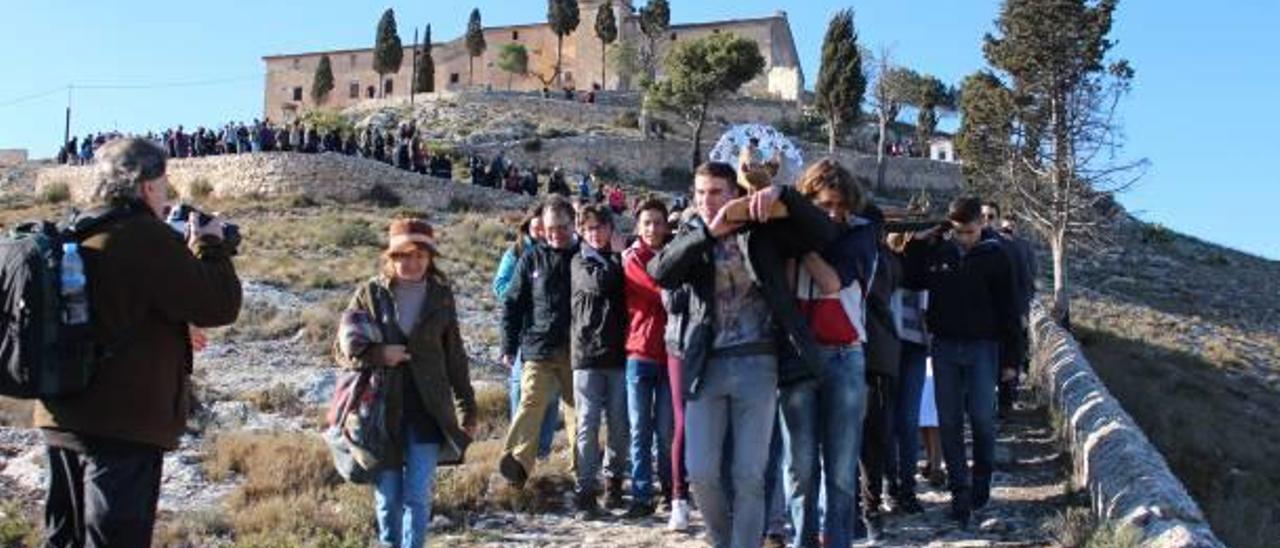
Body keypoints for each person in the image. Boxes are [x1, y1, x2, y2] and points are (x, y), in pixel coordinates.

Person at [34, 138, 242, 546]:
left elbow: (111, 311)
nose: (166, 197)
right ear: (147, 185)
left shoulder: (78, 230)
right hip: (122, 426)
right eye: (163, 185)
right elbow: (218, 306)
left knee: (63, 539)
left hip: (60, 416)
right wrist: (212, 245)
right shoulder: (145, 238)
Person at [649, 162, 837, 548]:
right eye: (700, 193)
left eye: (715, 192)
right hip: (705, 364)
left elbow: (823, 232)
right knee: (699, 470)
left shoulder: (763, 229)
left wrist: (782, 194)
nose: (706, 200)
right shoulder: (692, 232)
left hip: (759, 363)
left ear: (734, 193)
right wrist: (705, 233)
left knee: (749, 473)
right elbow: (661, 272)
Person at [334, 218, 477, 548]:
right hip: (381, 411)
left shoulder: (441, 296)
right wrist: (380, 353)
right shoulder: (369, 294)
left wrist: (467, 407)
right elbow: (342, 350)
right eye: (402, 256)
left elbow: (455, 355)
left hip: (429, 410)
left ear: (430, 258)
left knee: (418, 496)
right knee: (388, 500)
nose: (411, 264)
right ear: (390, 258)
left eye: (419, 256)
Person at [903, 196, 1020, 528]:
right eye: (959, 232)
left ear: (981, 225)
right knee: (949, 421)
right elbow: (910, 278)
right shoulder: (939, 252)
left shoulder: (997, 257)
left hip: (983, 347)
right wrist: (920, 242)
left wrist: (1011, 361)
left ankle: (981, 481)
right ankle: (960, 492)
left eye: (969, 231)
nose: (965, 238)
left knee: (982, 417)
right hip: (944, 347)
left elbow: (1009, 311)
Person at [781, 159, 879, 548]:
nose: (835, 213)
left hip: (843, 354)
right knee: (799, 468)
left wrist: (799, 238)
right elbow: (787, 287)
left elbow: (830, 282)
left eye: (841, 205)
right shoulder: (794, 233)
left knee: (840, 468)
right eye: (824, 205)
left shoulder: (862, 234)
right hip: (798, 354)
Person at [499, 197, 580, 489]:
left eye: (561, 227)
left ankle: (583, 472)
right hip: (538, 347)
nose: (555, 233)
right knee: (530, 402)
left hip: (577, 349)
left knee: (577, 410)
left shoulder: (585, 255)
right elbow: (512, 303)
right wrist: (508, 346)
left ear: (574, 224)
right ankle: (516, 467)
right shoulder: (531, 259)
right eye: (549, 228)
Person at [569, 204, 631, 518]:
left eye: (600, 227)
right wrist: (620, 257)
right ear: (581, 230)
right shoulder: (580, 261)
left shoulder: (624, 257)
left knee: (620, 426)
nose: (596, 233)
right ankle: (585, 490)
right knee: (588, 425)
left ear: (610, 228)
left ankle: (614, 483)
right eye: (589, 228)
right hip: (587, 354)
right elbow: (599, 285)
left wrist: (623, 257)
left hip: (621, 354)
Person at [491, 205, 560, 459]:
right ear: (529, 226)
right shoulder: (517, 252)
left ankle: (542, 451)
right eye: (537, 226)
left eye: (546, 226)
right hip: (523, 331)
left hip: (549, 333)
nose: (541, 231)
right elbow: (500, 286)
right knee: (522, 390)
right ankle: (518, 451)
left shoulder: (558, 251)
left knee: (551, 394)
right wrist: (524, 292)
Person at [622, 197, 674, 519]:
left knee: (667, 430)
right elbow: (658, 290)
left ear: (666, 226)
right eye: (647, 223)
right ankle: (642, 495)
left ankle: (671, 490)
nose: (653, 228)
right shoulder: (632, 258)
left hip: (671, 354)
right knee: (640, 429)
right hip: (640, 352)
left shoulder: (674, 253)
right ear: (638, 227)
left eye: (658, 222)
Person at [885, 232, 931, 515]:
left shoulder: (919, 257)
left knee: (908, 420)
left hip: (913, 346)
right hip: (886, 348)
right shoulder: (880, 259)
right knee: (889, 421)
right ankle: (892, 487)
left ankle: (906, 489)